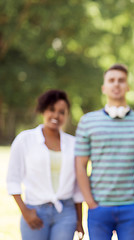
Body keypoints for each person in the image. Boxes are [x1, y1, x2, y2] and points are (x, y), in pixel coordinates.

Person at [75, 63, 134, 240]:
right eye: (111, 80)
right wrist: (91, 203)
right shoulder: (87, 122)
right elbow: (80, 165)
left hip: (132, 207)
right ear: (104, 87)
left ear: (128, 86)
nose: (116, 84)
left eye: (121, 80)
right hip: (99, 208)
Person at [6, 89, 84, 240]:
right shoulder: (25, 140)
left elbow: (77, 187)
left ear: (66, 115)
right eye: (51, 109)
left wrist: (79, 221)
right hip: (35, 210)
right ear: (43, 110)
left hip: (66, 213)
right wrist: (25, 211)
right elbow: (13, 179)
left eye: (61, 112)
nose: (56, 115)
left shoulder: (74, 144)